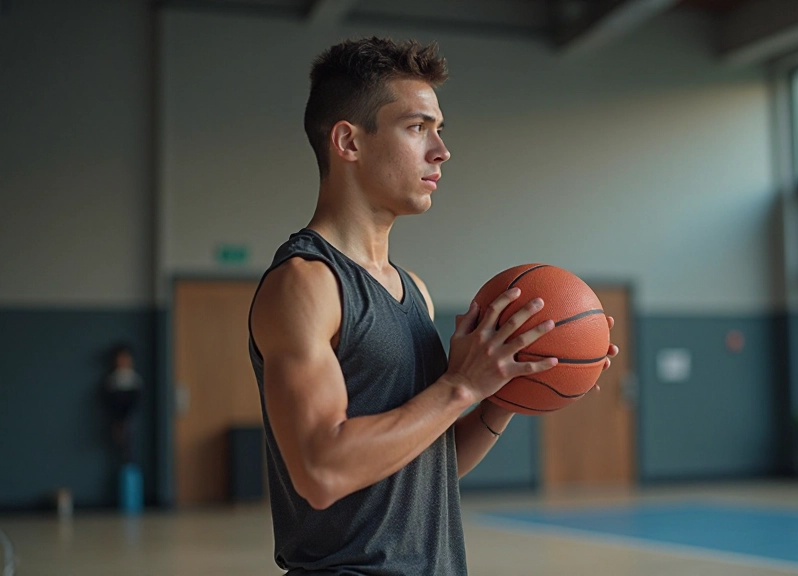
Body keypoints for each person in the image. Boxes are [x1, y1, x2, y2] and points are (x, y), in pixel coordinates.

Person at [248, 37, 619, 575]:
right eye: (417, 128)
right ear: (348, 141)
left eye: (440, 129)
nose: (441, 150)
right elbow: (322, 473)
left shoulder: (413, 289)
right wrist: (462, 385)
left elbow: (427, 470)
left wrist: (505, 387)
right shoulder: (306, 283)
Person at [104, 343, 143, 464]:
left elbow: (137, 398)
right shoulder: (112, 380)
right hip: (116, 416)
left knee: (129, 446)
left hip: (129, 416)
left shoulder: (135, 380)